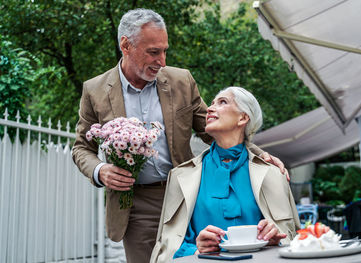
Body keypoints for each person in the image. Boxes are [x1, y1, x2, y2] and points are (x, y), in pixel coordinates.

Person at [72, 9, 287, 263]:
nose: (161, 61)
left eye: (165, 51)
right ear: (126, 45)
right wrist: (100, 170)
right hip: (138, 203)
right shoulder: (95, 90)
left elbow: (214, 130)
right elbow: (81, 148)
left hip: (188, 195)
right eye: (153, 52)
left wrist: (259, 157)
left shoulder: (181, 80)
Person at [150, 87, 300, 263]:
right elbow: (166, 246)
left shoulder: (273, 174)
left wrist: (277, 240)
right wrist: (196, 250)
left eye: (222, 102)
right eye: (212, 103)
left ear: (243, 118)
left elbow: (295, 240)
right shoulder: (180, 176)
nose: (210, 109)